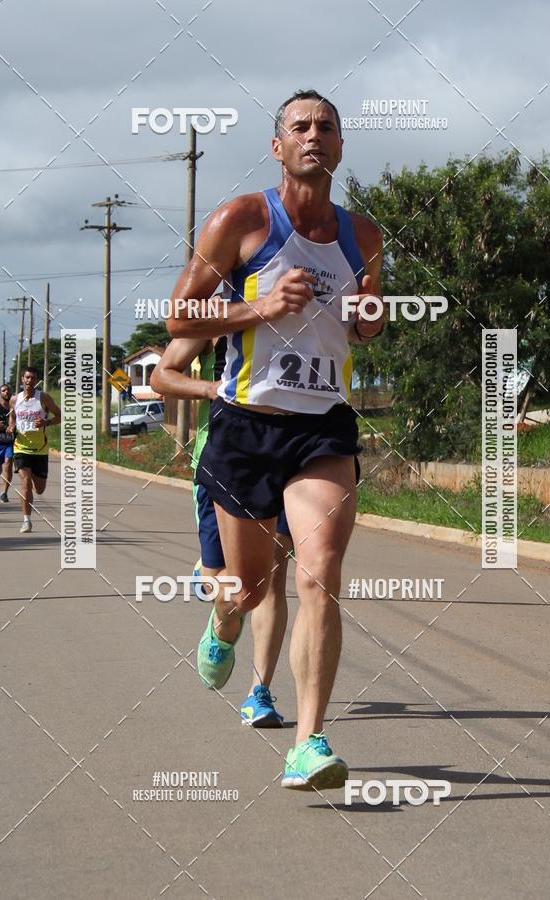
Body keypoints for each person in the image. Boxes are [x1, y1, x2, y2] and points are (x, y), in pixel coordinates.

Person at [167, 89, 384, 790]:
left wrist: (372, 316)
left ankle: (310, 742)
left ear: (342, 147)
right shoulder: (243, 218)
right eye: (300, 126)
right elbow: (179, 318)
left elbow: (366, 324)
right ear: (278, 145)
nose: (314, 135)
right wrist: (258, 304)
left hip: (322, 424)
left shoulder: (365, 236)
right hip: (244, 427)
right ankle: (222, 621)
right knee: (252, 587)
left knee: (320, 570)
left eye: (327, 126)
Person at [151, 336, 292, 727]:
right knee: (230, 589)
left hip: (294, 452)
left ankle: (258, 693)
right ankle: (221, 629)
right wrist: (212, 389)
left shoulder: (313, 297)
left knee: (273, 575)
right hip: (227, 456)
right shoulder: (220, 309)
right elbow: (163, 375)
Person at [7, 366, 61, 533]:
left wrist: (46, 422)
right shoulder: (15, 400)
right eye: (27, 377)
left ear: (37, 380)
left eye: (33, 378)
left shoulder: (43, 398)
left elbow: (59, 416)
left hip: (40, 449)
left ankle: (35, 491)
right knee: (25, 483)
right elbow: (12, 418)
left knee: (39, 488)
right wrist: (11, 427)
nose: (30, 381)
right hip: (20, 447)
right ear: (22, 379)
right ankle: (26, 521)